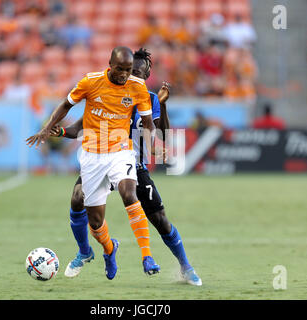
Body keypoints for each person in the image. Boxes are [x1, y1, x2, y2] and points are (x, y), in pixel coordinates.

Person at [53, 48, 202, 286]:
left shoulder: (148, 97)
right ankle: (85, 251)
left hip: (134, 164)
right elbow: (83, 124)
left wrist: (161, 105)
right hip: (104, 157)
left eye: (139, 73)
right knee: (77, 197)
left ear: (147, 74)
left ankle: (186, 266)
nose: (134, 77)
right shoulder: (110, 91)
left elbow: (161, 132)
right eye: (131, 72)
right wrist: (59, 130)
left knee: (159, 219)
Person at [26, 47, 160, 280]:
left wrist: (154, 142)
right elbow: (67, 105)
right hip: (92, 156)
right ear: (109, 65)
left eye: (128, 70)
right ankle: (109, 249)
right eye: (120, 69)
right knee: (96, 222)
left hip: (121, 151)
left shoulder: (137, 87)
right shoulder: (91, 82)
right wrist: (48, 128)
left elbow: (148, 122)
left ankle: (147, 256)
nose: (124, 75)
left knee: (129, 193)